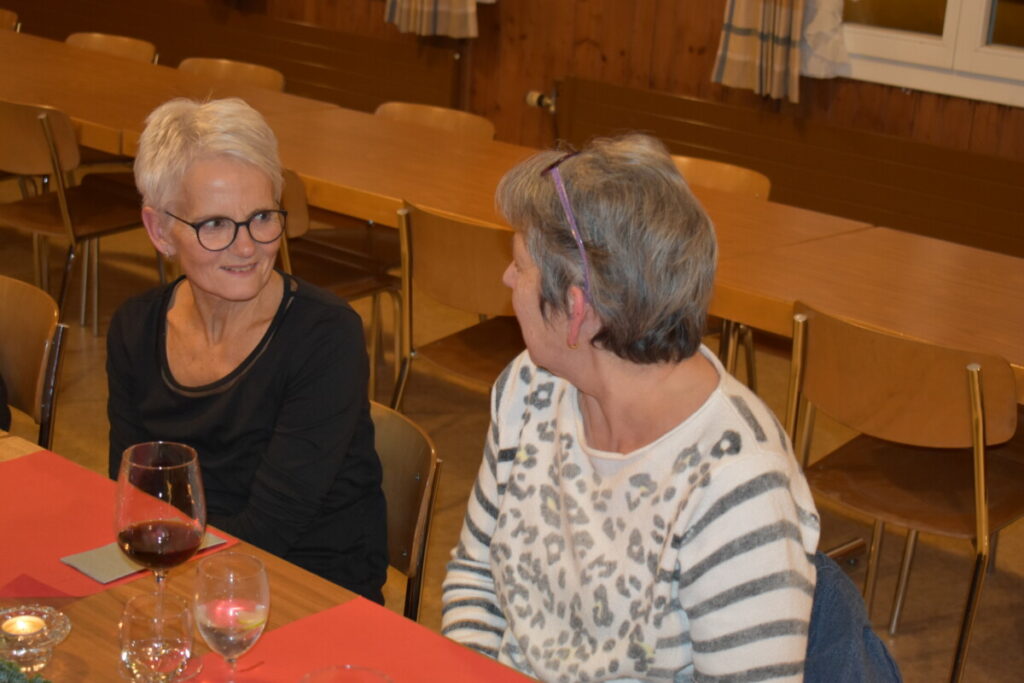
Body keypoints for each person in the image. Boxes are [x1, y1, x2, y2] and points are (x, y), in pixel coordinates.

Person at [442, 134, 821, 681]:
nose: (507, 278)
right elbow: (476, 577)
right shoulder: (531, 387)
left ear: (576, 310)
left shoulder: (736, 484)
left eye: (520, 265)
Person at [107, 98, 387, 602]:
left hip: (308, 587)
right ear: (159, 231)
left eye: (261, 217)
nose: (246, 246)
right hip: (182, 567)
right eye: (214, 224)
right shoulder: (135, 328)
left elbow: (271, 530)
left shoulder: (325, 337)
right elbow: (131, 495)